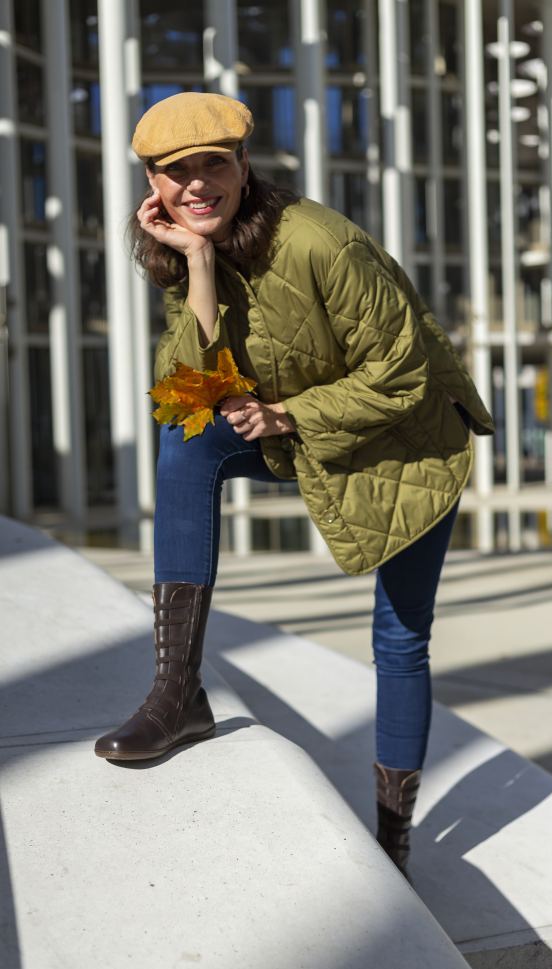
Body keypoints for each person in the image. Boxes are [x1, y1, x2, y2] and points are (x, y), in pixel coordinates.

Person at [94, 91, 494, 875]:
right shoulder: (185, 247)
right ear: (153, 183)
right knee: (186, 441)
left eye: (213, 165)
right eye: (176, 173)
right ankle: (177, 696)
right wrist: (199, 265)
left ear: (244, 167)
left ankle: (393, 838)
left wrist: (285, 414)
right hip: (302, 425)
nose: (197, 186)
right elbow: (185, 389)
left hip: (406, 442)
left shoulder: (319, 243)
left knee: (400, 639)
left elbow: (402, 372)